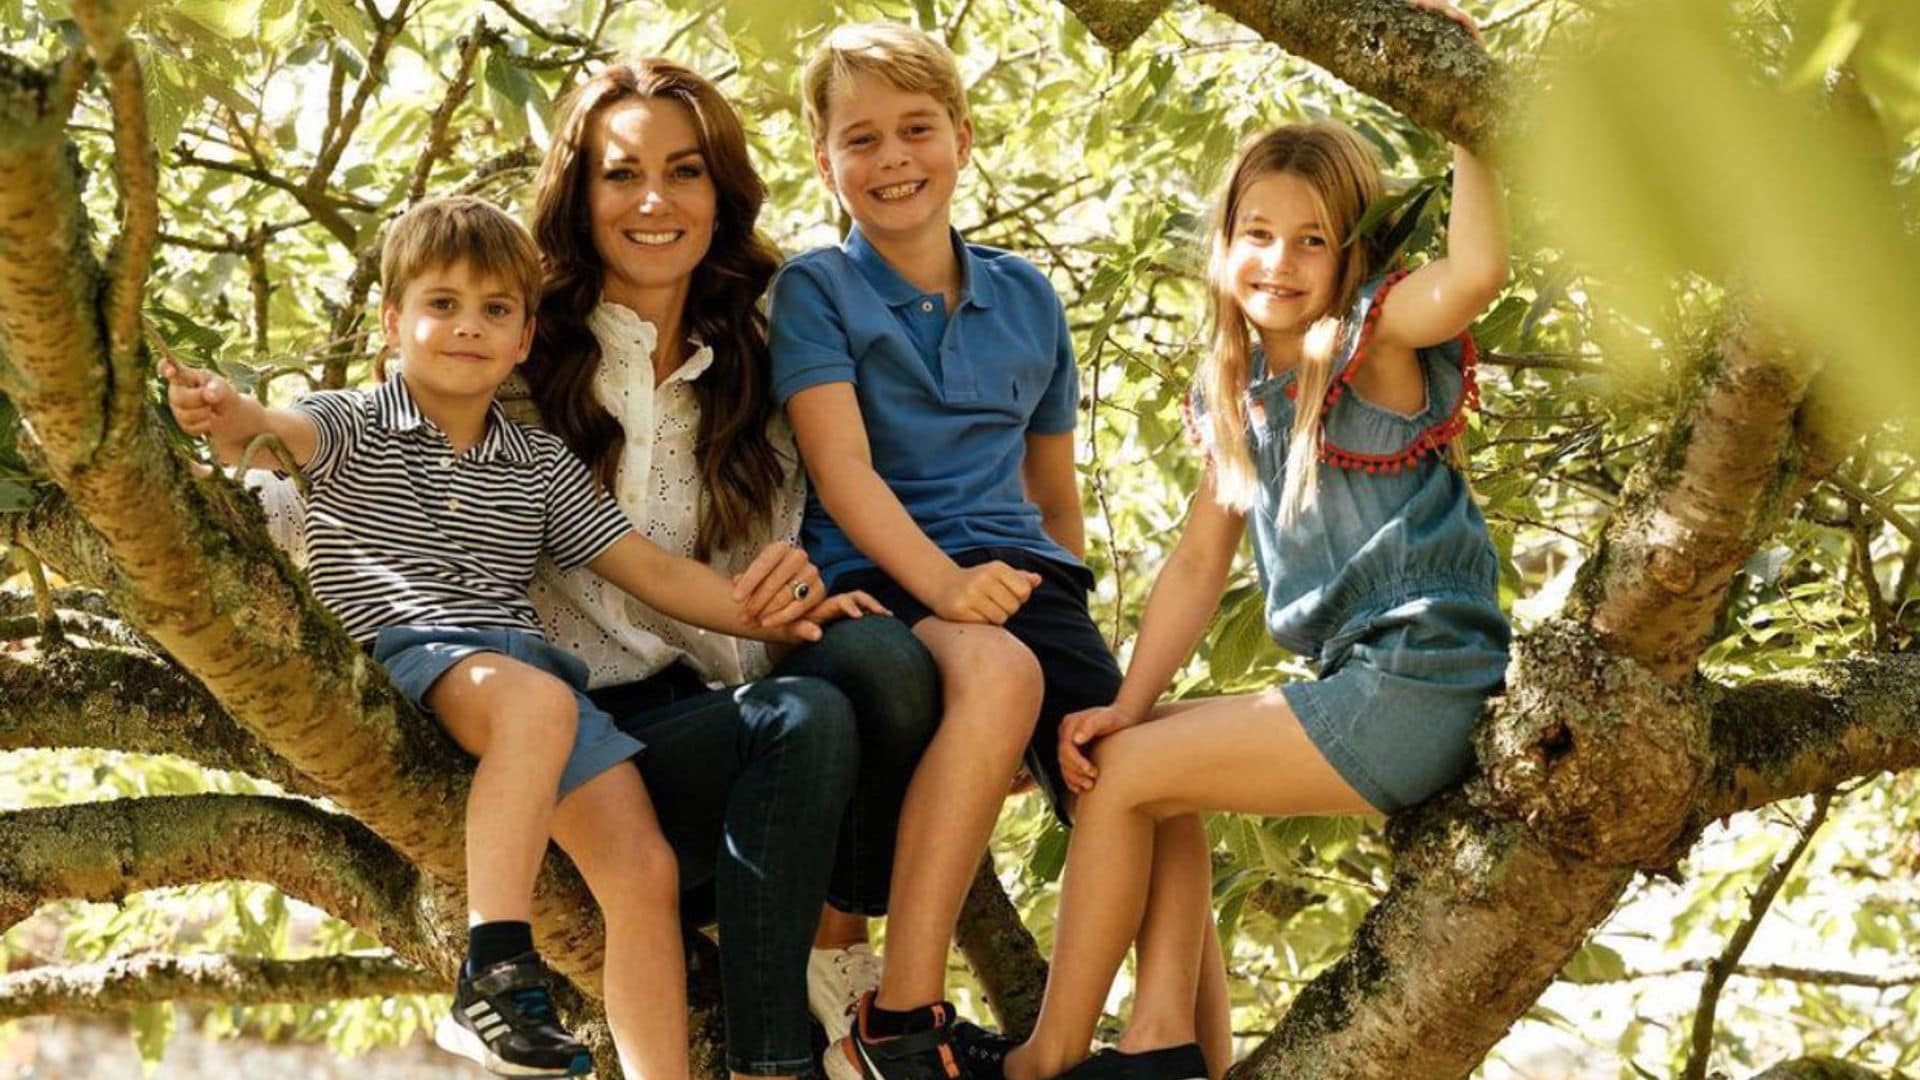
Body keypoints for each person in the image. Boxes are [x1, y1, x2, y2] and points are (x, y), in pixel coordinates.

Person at [165, 195, 882, 1080]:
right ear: (394, 322)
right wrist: (223, 409)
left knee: (645, 871)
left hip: (524, 686)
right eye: (442, 305)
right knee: (541, 699)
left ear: (526, 339)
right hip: (417, 655)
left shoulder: (538, 462)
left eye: (495, 310)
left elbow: (654, 572)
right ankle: (494, 968)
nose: (468, 328)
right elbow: (265, 434)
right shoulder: (347, 423)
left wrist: (788, 613)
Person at [1000, 8, 1511, 1080]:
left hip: (1417, 682)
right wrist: (1129, 702)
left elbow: (1471, 279)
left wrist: (1471, 113)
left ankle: (1049, 1058)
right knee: (1137, 764)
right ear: (1225, 244)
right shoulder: (1237, 389)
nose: (1280, 260)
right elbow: (1195, 567)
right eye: (1259, 234)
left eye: (1312, 239)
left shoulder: (1363, 344)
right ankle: (1175, 1052)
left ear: (1351, 252)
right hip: (1358, 682)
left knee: (1135, 770)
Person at [769, 24, 1228, 1080]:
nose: (892, 159)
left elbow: (1052, 495)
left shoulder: (1025, 296)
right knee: (1001, 670)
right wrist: (946, 587)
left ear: (964, 140)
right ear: (823, 161)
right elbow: (844, 473)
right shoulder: (816, 291)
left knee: (1146, 762)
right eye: (861, 139)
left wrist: (1085, 662)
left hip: (1025, 578)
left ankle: (1170, 1044)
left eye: (916, 129)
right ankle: (903, 1015)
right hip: (883, 574)